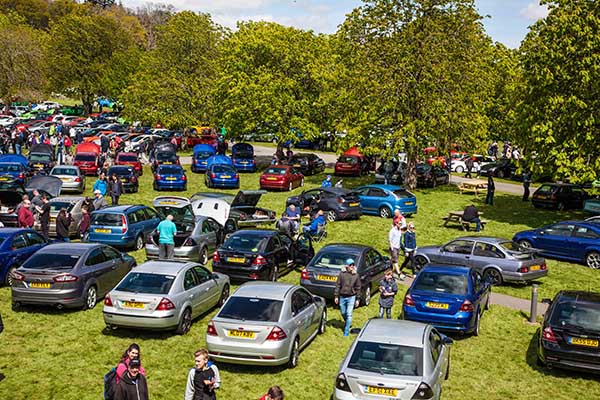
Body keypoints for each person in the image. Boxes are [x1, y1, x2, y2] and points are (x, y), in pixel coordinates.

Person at [334, 258, 361, 336]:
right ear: (346, 266)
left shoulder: (356, 275)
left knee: (349, 314)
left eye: (353, 265)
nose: (352, 266)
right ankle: (348, 323)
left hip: (351, 297)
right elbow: (338, 285)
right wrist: (336, 296)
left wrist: (357, 299)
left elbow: (358, 287)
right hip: (342, 297)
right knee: (343, 313)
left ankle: (346, 331)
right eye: (350, 265)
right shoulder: (342, 274)